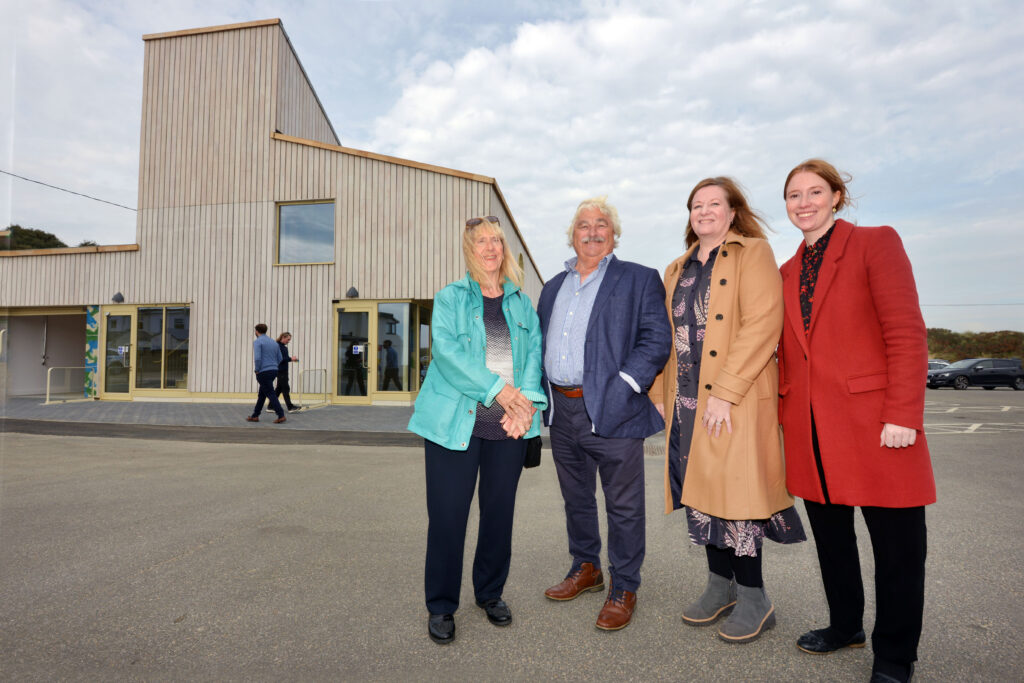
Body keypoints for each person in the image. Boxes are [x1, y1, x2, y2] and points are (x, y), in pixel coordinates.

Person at [778, 160, 935, 683]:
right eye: (794, 195)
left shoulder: (875, 243)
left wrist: (903, 414)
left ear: (837, 196)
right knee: (833, 543)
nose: (804, 202)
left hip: (878, 428)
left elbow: (906, 334)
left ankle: (894, 657)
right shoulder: (784, 272)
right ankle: (845, 625)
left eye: (815, 192)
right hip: (813, 435)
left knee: (897, 552)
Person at [650, 178, 805, 643]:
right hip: (686, 402)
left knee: (736, 497)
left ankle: (755, 597)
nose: (704, 211)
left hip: (731, 400)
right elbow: (666, 338)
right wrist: (660, 394)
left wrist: (726, 391)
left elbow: (763, 323)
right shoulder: (676, 268)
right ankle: (721, 587)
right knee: (699, 494)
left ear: (732, 212)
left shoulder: (752, 253)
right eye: (697, 205)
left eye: (714, 204)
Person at [407, 215, 546, 645]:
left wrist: (524, 408)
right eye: (481, 241)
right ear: (469, 249)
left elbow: (533, 358)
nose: (490, 248)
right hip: (455, 425)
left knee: (499, 516)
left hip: (508, 426)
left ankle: (489, 593)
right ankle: (442, 605)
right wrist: (499, 391)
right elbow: (447, 354)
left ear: (505, 250)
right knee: (448, 519)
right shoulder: (449, 298)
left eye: (497, 241)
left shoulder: (522, 302)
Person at [537, 196, 672, 631]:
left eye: (601, 225)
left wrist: (624, 388)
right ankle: (586, 568)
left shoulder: (638, 279)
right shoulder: (553, 287)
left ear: (614, 234)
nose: (592, 232)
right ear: (571, 235)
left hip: (615, 411)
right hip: (563, 410)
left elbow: (656, 339)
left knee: (624, 506)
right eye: (583, 225)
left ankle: (624, 586)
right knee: (576, 499)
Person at [247, 323, 286, 423]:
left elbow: (257, 358)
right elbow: (280, 358)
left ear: (256, 331)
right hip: (273, 370)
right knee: (262, 394)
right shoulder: (274, 342)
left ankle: (281, 415)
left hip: (263, 371)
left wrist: (257, 369)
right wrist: (273, 365)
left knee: (270, 393)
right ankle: (255, 415)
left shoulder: (258, 342)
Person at [275, 332, 300, 411]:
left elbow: (284, 358)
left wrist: (292, 359)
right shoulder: (278, 346)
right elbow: (280, 359)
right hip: (281, 370)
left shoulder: (283, 347)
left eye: (289, 340)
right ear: (283, 337)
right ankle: (290, 407)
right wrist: (290, 359)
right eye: (288, 339)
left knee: (279, 389)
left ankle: (271, 406)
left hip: (283, 370)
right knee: (285, 388)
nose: (288, 341)